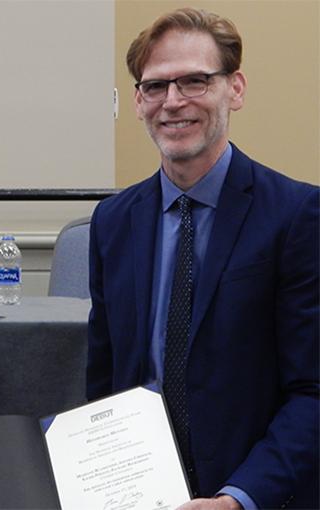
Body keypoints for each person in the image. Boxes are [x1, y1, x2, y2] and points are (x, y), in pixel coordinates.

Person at [87, 8, 318, 510]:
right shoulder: (111, 222)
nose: (173, 102)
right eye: (155, 86)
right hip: (140, 494)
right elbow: (105, 382)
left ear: (234, 89)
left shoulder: (297, 215)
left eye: (194, 81)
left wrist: (238, 498)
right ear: (137, 101)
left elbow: (313, 392)